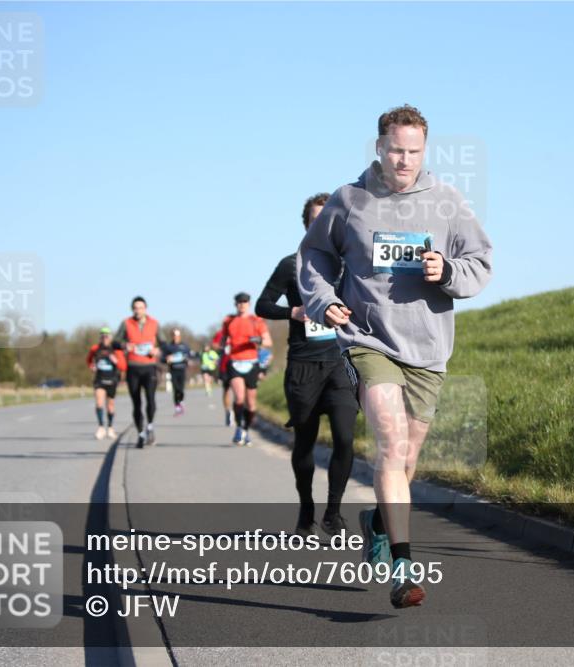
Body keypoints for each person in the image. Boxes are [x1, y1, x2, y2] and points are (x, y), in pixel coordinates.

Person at [297, 105, 492, 608]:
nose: (404, 160)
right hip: (369, 338)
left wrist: (445, 270)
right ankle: (403, 568)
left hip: (427, 345)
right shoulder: (350, 200)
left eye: (414, 151)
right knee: (389, 438)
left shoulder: (447, 201)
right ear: (379, 146)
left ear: (424, 150)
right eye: (395, 149)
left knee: (407, 456)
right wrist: (326, 302)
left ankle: (378, 521)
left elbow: (480, 262)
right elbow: (315, 257)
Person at [256, 193, 358, 538]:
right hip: (302, 366)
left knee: (345, 439)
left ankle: (333, 512)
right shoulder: (291, 265)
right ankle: (306, 511)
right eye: (315, 220)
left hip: (341, 365)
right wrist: (293, 312)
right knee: (304, 442)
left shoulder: (352, 264)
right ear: (306, 226)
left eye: (328, 219)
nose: (322, 225)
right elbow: (262, 304)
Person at [212, 293, 272, 445]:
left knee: (251, 403)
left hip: (252, 362)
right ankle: (239, 428)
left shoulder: (256, 320)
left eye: (244, 302)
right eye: (239, 302)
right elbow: (222, 341)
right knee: (239, 397)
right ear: (235, 304)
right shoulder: (229, 320)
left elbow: (268, 342)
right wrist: (222, 347)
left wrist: (258, 340)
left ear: (249, 304)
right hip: (235, 362)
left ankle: (246, 429)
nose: (242, 304)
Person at [113, 296, 166, 448]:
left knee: (150, 399)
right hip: (133, 367)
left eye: (141, 308)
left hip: (149, 367)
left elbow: (164, 344)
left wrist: (158, 350)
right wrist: (124, 345)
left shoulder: (154, 323)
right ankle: (140, 433)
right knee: (136, 403)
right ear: (132, 310)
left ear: (145, 309)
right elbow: (115, 342)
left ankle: (150, 426)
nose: (138, 311)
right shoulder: (126, 323)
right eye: (135, 308)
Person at [86, 326, 127, 440]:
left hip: (112, 380)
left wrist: (116, 360)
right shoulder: (95, 349)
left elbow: (123, 366)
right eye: (102, 336)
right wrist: (92, 366)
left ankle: (110, 427)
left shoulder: (116, 350)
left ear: (110, 337)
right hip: (99, 379)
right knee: (99, 403)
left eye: (107, 336)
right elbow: (88, 360)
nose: (105, 338)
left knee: (110, 405)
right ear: (100, 337)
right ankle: (100, 427)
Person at [161, 328, 197, 416]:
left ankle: (181, 401)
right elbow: (162, 359)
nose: (176, 337)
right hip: (173, 370)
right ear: (172, 336)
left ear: (180, 336)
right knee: (175, 388)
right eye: (174, 335)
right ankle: (177, 406)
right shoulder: (169, 347)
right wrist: (166, 359)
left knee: (181, 389)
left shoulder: (185, 346)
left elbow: (191, 356)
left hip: (182, 369)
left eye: (177, 335)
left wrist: (189, 361)